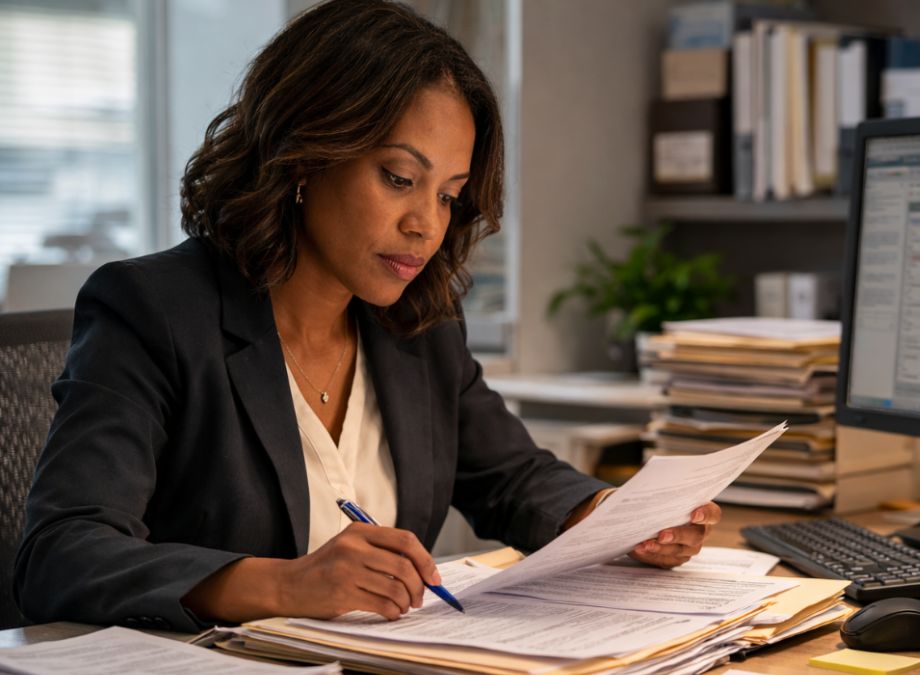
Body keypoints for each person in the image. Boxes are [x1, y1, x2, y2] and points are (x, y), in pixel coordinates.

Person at [14, 0, 720, 632]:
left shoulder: (419, 324)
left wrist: (615, 519)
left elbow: (512, 477)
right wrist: (283, 584)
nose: (426, 225)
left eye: (448, 195)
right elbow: (61, 552)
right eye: (399, 178)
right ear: (303, 157)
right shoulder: (154, 310)